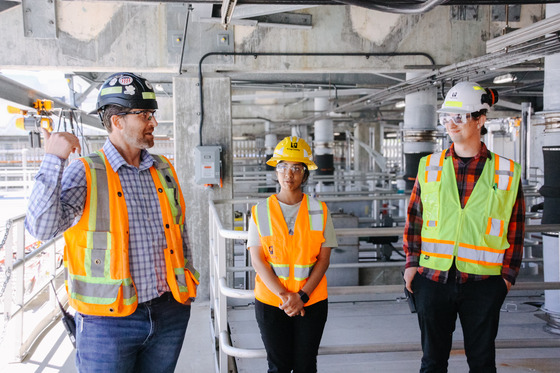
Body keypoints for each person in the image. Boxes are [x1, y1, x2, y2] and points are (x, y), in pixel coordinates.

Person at [25, 72, 199, 373]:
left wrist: (182, 299)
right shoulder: (87, 172)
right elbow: (41, 227)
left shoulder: (162, 168)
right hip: (107, 323)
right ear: (117, 121)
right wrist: (54, 160)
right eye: (144, 114)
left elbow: (179, 233)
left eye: (152, 114)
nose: (153, 122)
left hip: (169, 310)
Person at [403, 81, 525, 373]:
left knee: (482, 363)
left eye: (459, 117)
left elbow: (516, 228)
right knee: (432, 362)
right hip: (432, 280)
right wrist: (411, 266)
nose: (450, 124)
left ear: (480, 119)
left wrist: (506, 279)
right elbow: (414, 219)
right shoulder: (429, 166)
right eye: (447, 117)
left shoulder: (507, 172)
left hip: (483, 285)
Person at [247, 136, 338, 373]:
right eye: (283, 167)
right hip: (271, 301)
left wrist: (302, 297)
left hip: (312, 301)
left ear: (305, 174)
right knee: (278, 367)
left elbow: (324, 260)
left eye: (296, 168)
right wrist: (285, 296)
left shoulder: (320, 210)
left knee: (306, 366)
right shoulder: (260, 210)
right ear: (276, 171)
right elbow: (257, 260)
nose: (289, 174)